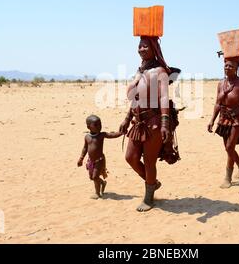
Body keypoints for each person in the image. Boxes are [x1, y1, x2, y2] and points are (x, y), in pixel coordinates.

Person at [119, 36, 180, 212]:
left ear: (154, 48)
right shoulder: (139, 71)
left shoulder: (159, 71)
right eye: (140, 46)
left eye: (145, 46)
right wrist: (126, 119)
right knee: (130, 157)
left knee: (149, 161)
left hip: (153, 122)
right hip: (138, 122)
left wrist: (164, 124)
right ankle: (152, 183)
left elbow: (163, 98)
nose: (141, 49)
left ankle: (149, 198)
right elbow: (136, 99)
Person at [208, 56, 239, 188]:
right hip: (223, 119)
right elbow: (218, 103)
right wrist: (212, 120)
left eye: (230, 66)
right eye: (226, 65)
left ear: (236, 68)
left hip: (237, 118)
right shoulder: (220, 83)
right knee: (227, 148)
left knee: (230, 147)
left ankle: (228, 177)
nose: (227, 68)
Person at [77, 115, 122, 199]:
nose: (99, 126)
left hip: (99, 160)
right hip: (90, 161)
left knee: (95, 177)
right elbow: (85, 148)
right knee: (92, 177)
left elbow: (112, 135)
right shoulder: (87, 137)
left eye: (100, 124)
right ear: (88, 127)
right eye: (96, 125)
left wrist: (121, 133)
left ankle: (97, 193)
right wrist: (81, 158)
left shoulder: (101, 135)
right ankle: (102, 183)